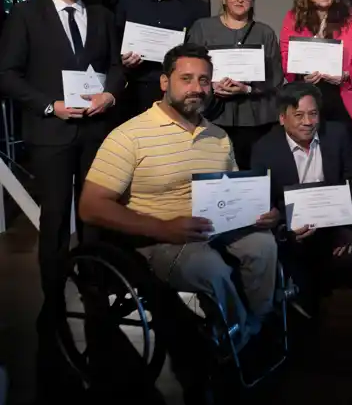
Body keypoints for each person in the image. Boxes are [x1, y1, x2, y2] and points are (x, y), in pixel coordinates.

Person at [78, 43, 280, 402]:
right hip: (156, 238)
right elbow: (91, 207)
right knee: (210, 267)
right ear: (164, 82)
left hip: (214, 227)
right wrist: (164, 228)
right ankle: (239, 337)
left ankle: (250, 328)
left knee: (264, 245)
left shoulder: (218, 136)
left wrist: (260, 213)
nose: (196, 88)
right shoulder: (130, 136)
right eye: (186, 79)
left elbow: (233, 192)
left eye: (204, 80)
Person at [0, 0, 123, 311]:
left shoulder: (102, 16)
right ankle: (53, 294)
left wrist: (110, 94)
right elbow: (6, 74)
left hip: (95, 131)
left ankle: (95, 283)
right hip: (50, 132)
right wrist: (49, 106)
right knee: (54, 215)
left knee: (95, 210)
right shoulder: (25, 15)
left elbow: (116, 66)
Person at [250, 82, 352, 319]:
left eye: (313, 114)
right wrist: (286, 229)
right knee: (303, 298)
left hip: (333, 226)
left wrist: (346, 227)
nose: (308, 122)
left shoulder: (337, 135)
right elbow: (265, 203)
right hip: (293, 234)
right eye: (298, 115)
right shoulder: (264, 149)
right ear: (282, 118)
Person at [188, 0, 283, 169]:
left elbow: (276, 78)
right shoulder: (202, 28)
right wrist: (211, 86)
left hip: (256, 119)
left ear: (253, 0)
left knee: (254, 175)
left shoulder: (265, 33)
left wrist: (247, 90)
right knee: (214, 171)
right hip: (213, 116)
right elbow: (189, 67)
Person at [115, 0, 209, 119]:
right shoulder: (128, 1)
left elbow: (199, 51)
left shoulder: (196, 7)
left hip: (178, 92)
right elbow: (114, 42)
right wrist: (123, 59)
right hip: (135, 92)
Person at [280, 0, 352, 130]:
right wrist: (300, 77)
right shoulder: (293, 18)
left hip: (343, 99)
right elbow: (285, 56)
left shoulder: (350, 20)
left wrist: (345, 75)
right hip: (306, 97)